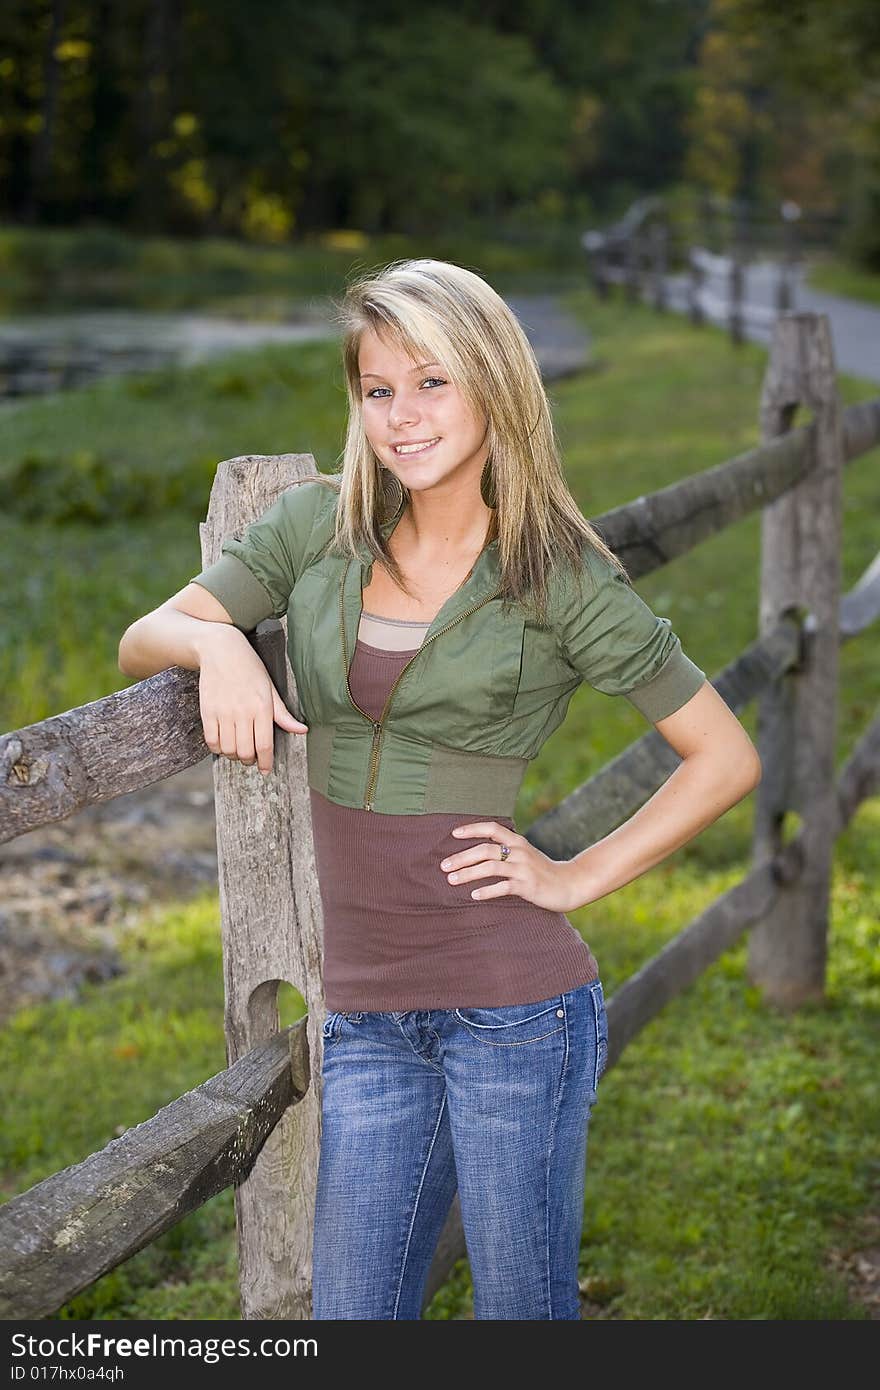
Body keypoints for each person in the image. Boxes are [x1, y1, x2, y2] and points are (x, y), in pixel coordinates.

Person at [118, 257, 761, 1321]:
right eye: (379, 390)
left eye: (432, 383)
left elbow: (724, 755)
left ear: (494, 386)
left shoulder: (555, 575)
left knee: (521, 1312)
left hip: (512, 1011)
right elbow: (145, 635)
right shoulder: (313, 533)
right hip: (368, 1015)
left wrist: (576, 874)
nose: (402, 416)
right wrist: (217, 648)